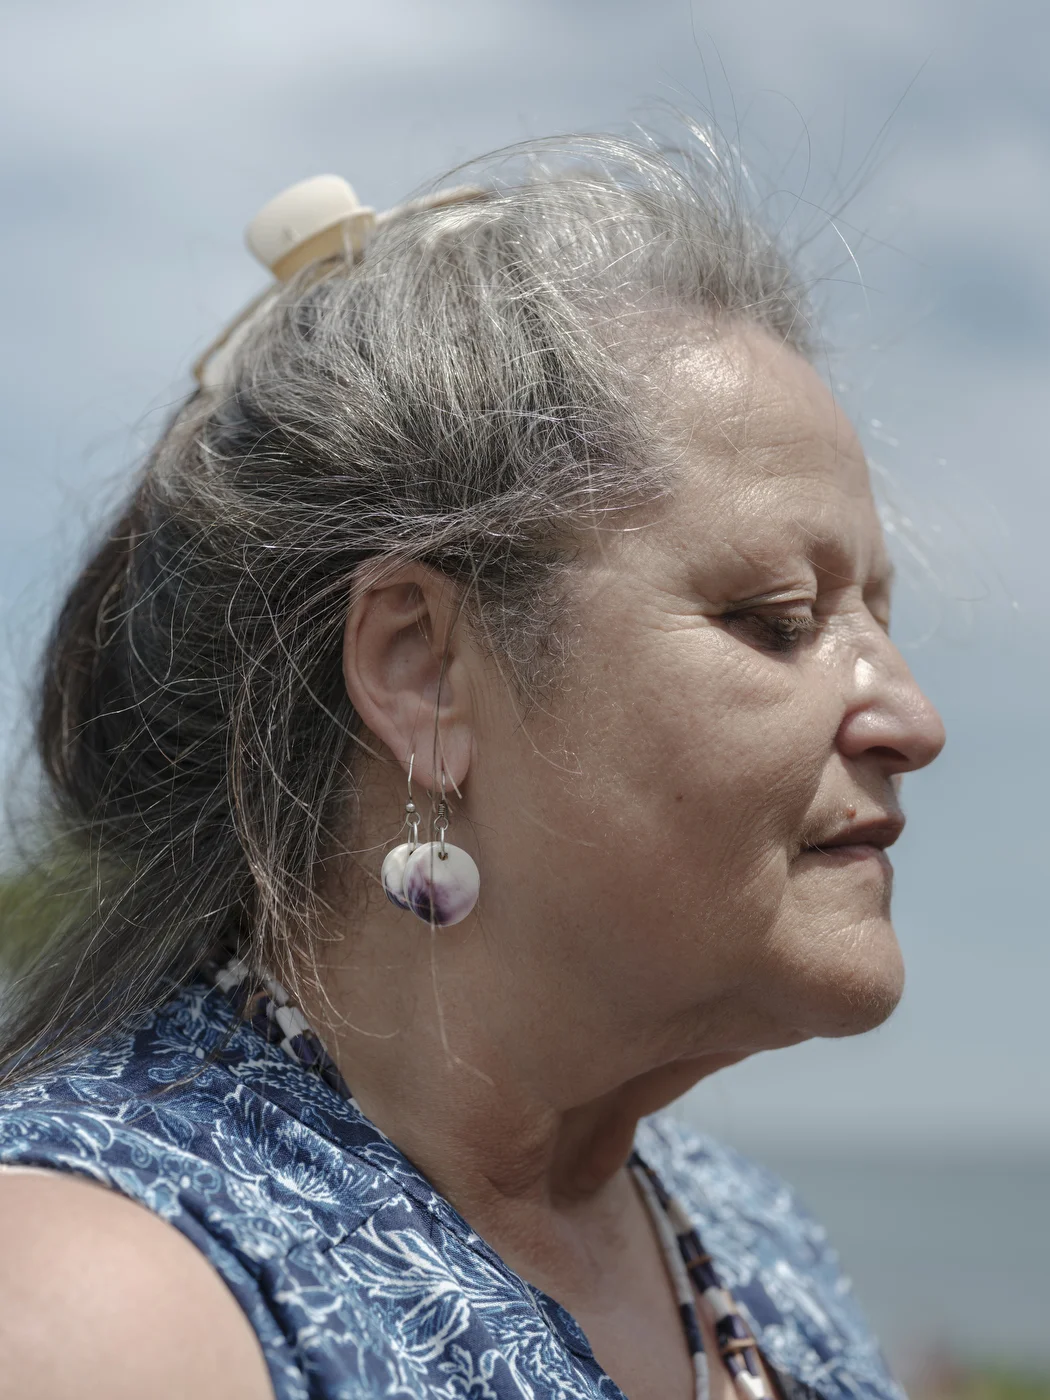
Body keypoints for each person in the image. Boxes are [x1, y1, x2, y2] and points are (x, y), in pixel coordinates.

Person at [0, 132, 945, 1400]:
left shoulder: (755, 1244)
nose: (912, 719)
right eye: (776, 619)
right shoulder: (105, 1308)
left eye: (877, 617)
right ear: (424, 671)